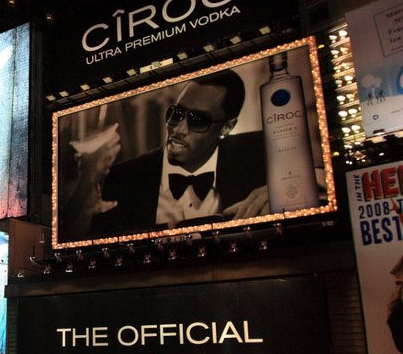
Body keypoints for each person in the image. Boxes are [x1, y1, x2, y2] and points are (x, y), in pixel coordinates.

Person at [61, 70, 268, 241]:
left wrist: (274, 191)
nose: (179, 128)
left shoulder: (260, 156)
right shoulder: (123, 178)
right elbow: (75, 239)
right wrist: (86, 182)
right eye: (176, 114)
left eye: (198, 120)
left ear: (226, 128)